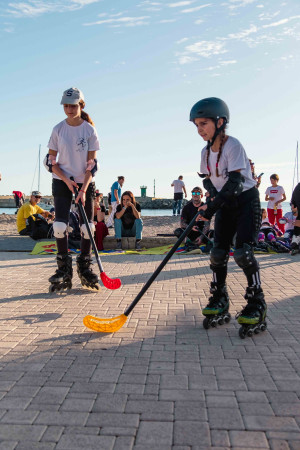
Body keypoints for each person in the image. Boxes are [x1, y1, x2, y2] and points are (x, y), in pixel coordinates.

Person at [190, 97, 267, 338]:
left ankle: (257, 303)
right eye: (196, 125)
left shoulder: (233, 145)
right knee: (217, 253)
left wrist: (210, 210)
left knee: (243, 252)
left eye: (203, 124)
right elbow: (208, 181)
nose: (200, 129)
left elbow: (234, 184)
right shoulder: (205, 152)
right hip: (225, 203)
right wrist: (209, 202)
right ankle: (219, 298)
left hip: (245, 201)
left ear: (220, 122)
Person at [44, 87, 100, 292]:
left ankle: (84, 267)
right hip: (62, 180)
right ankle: (63, 270)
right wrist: (67, 182)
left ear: (81, 106)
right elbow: (51, 162)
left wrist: (83, 189)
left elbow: (91, 165)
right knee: (59, 225)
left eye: (73, 105)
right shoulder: (58, 129)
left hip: (85, 182)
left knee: (88, 228)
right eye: (66, 105)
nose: (68, 109)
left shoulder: (89, 130)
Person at [290, 183, 300, 254]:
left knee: (297, 228)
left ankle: (295, 244)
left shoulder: (298, 187)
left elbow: (293, 204)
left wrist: (293, 206)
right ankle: (295, 244)